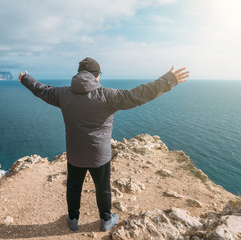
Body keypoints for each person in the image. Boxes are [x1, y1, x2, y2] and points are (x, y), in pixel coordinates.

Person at [18, 57, 189, 232]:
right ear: (97, 76)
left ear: (79, 74)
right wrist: (168, 80)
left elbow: (42, 90)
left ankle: (73, 219)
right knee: (103, 189)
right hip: (99, 156)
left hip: (75, 154)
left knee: (74, 187)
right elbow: (137, 95)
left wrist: (26, 79)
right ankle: (106, 220)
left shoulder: (62, 94)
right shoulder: (108, 96)